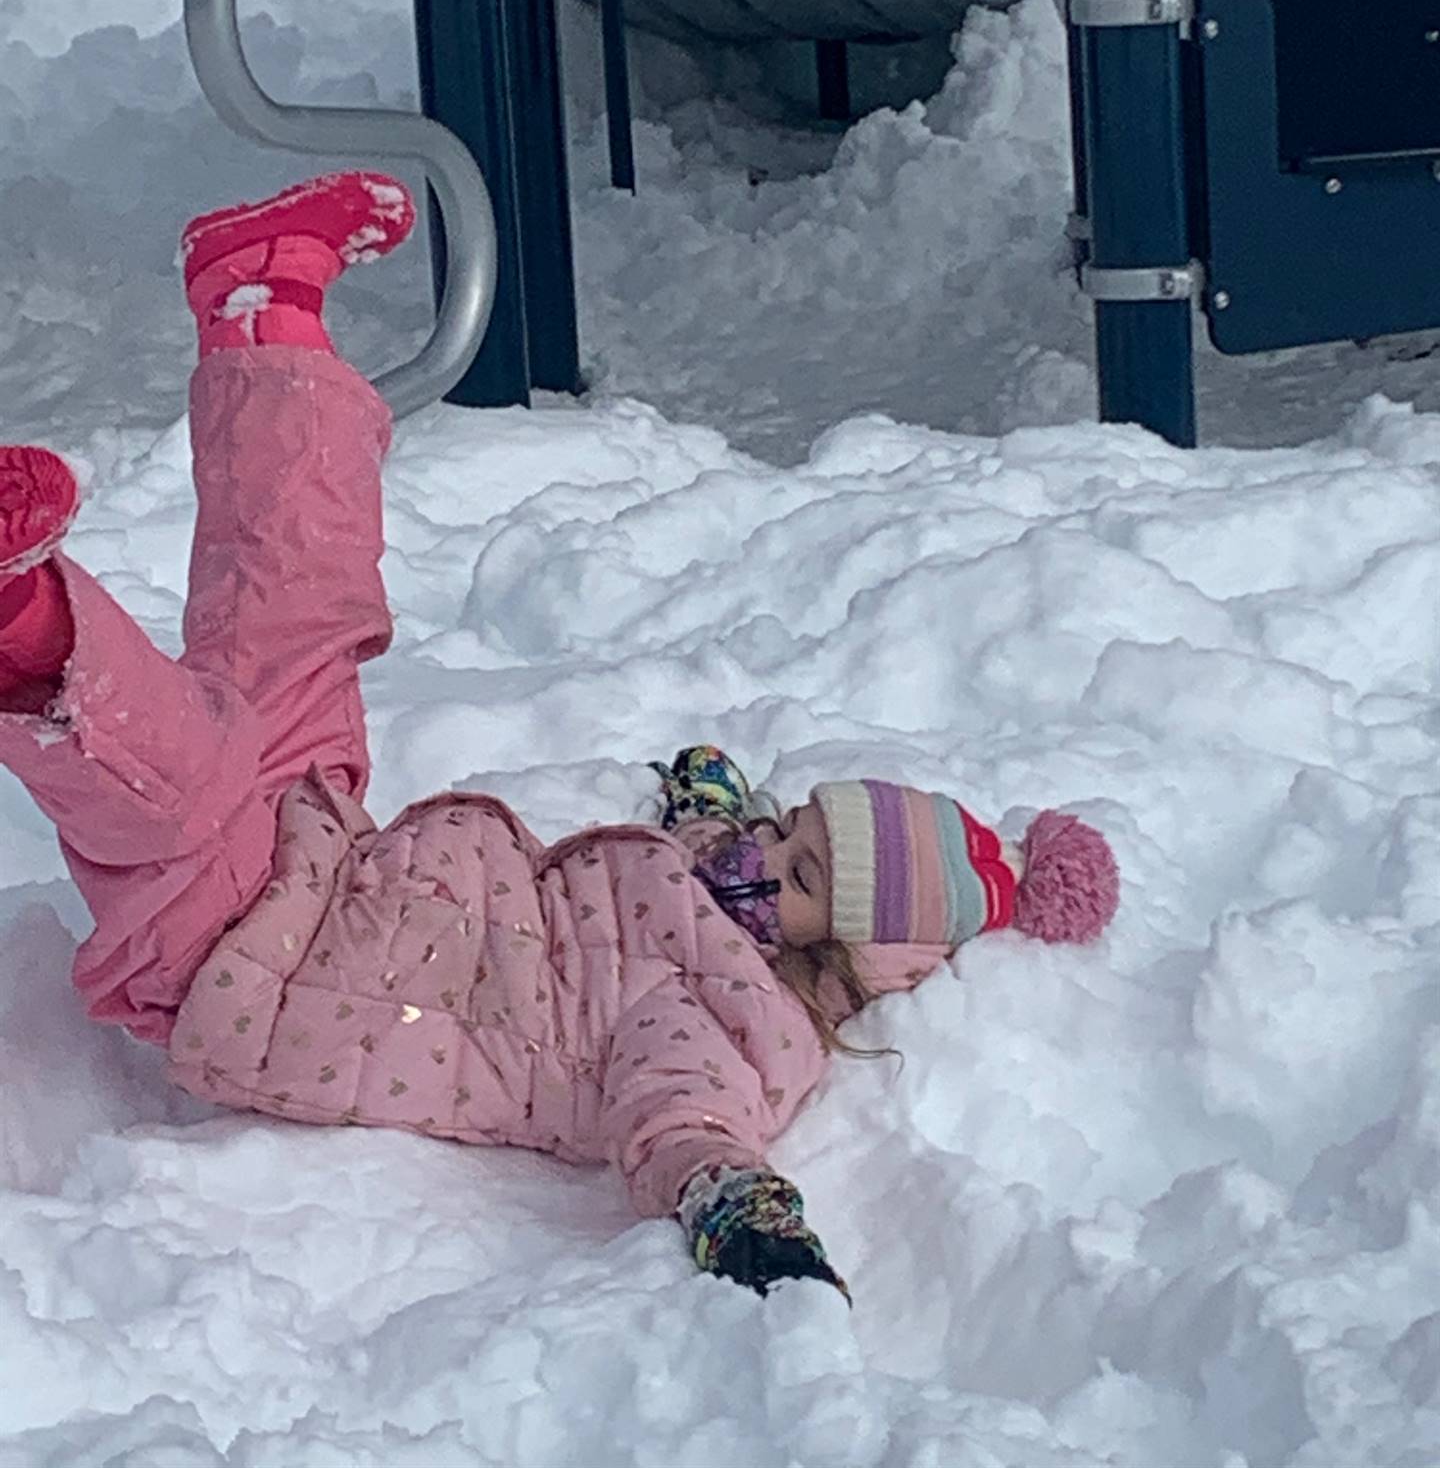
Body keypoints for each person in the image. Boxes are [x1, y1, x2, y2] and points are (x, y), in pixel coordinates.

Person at [0, 173, 1120, 1306]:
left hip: (249, 961)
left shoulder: (736, 1025)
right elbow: (722, 830)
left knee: (178, 786)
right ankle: (263, 299)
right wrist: (711, 796)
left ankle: (23, 621)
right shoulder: (723, 873)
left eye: (802, 876)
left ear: (843, 955)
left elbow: (682, 1123)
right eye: (789, 831)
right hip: (326, 855)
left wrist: (739, 1205)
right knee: (307, 613)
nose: (762, 857)